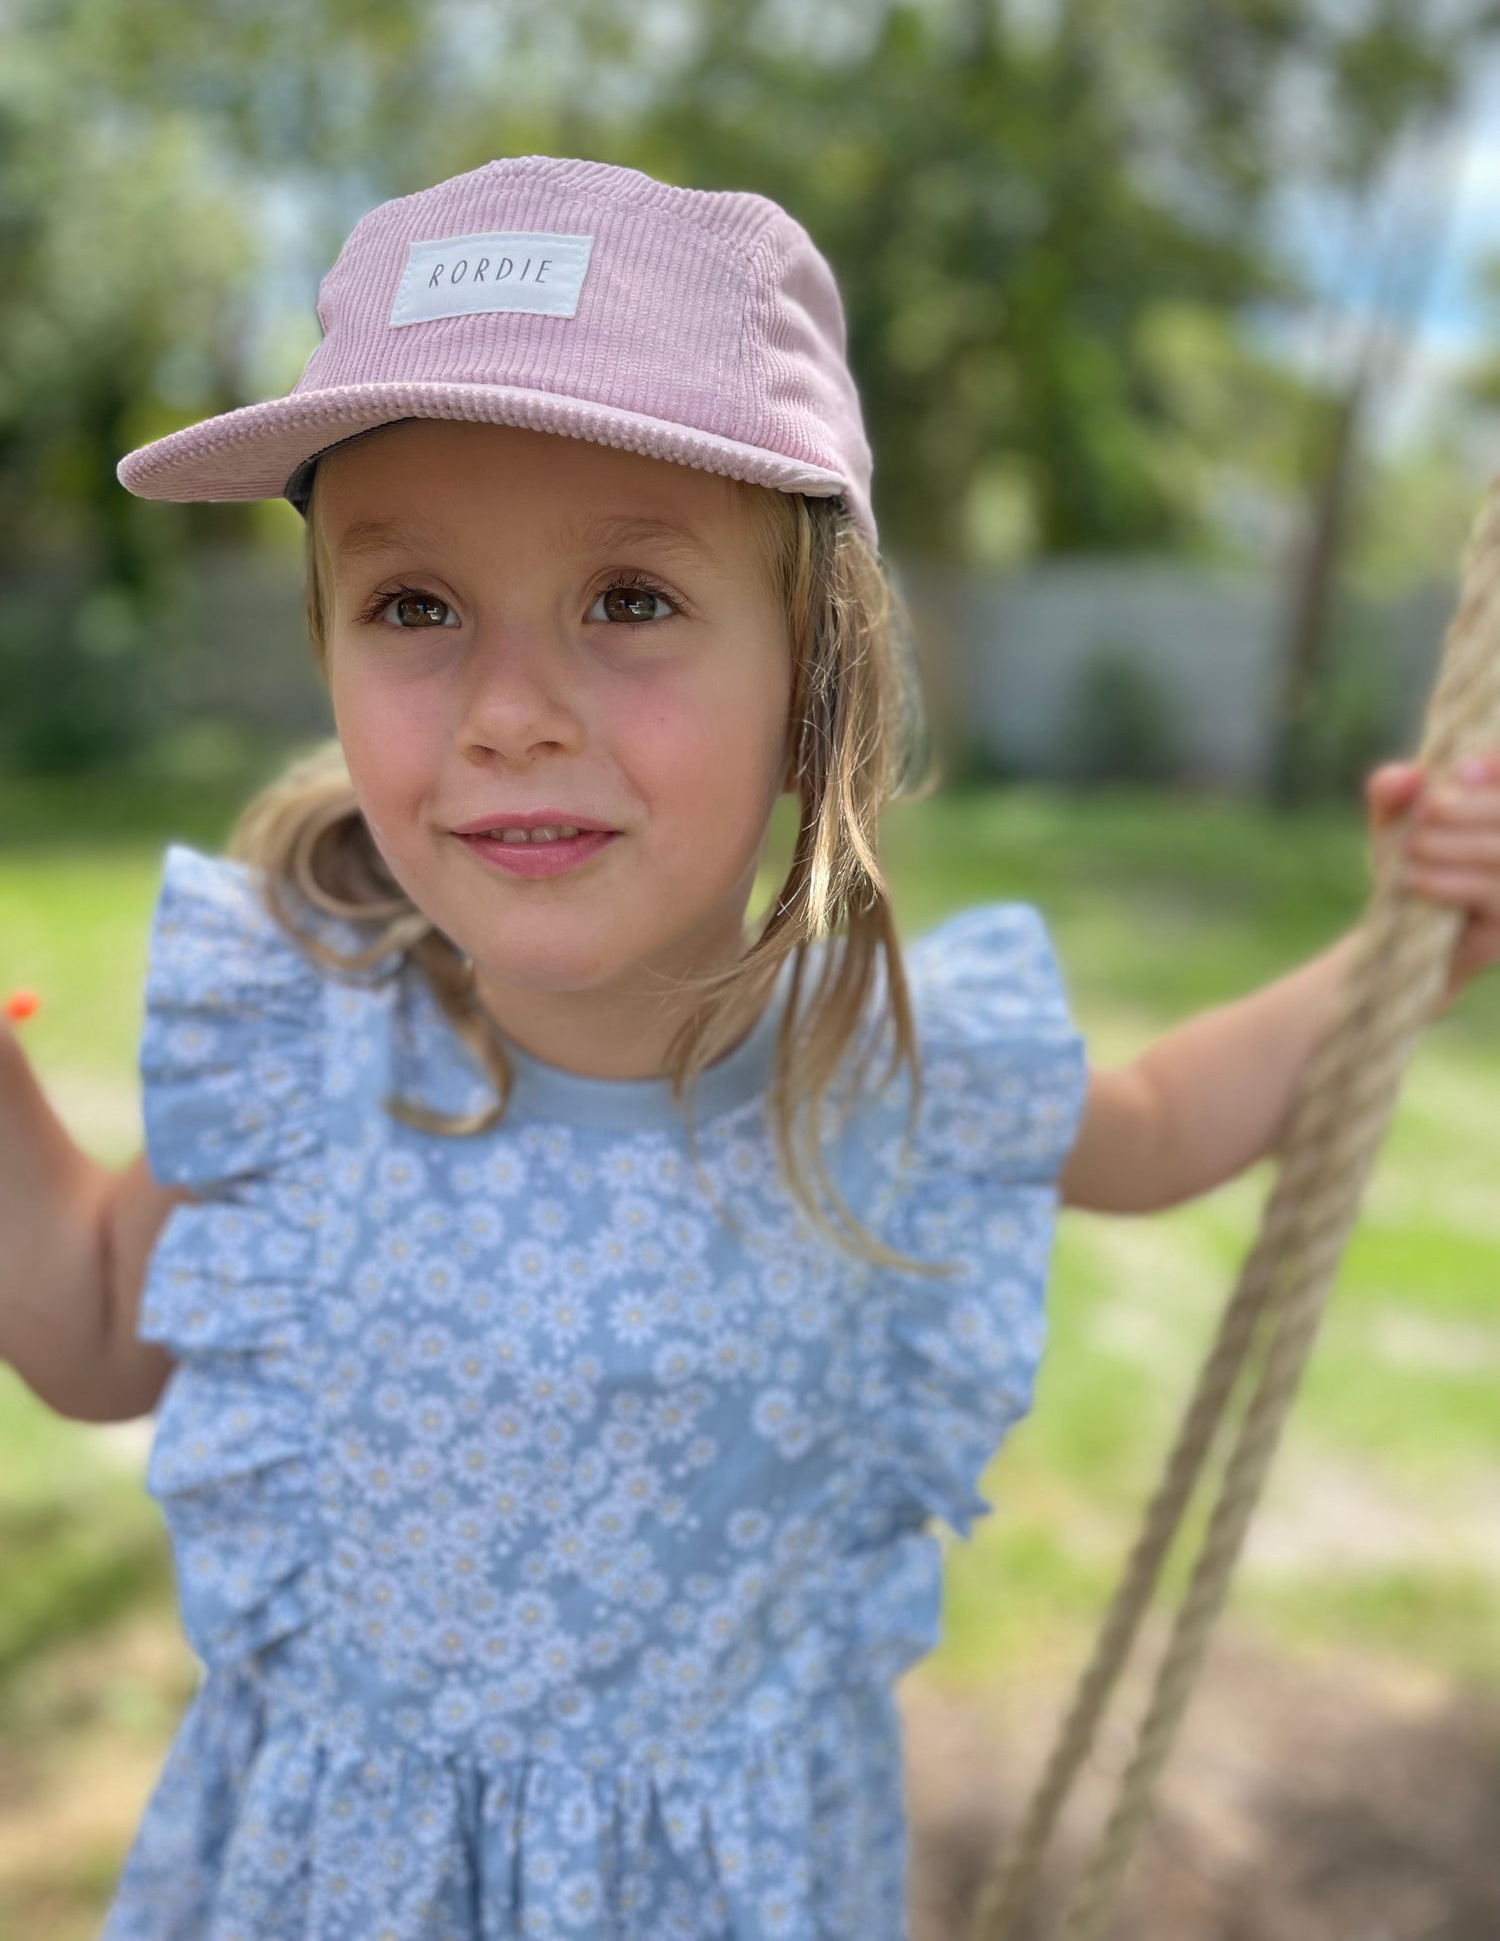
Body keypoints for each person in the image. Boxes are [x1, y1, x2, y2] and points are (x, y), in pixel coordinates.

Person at [2, 155, 1498, 1941]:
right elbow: (98, 1331)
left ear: (813, 679)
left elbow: (1167, 1120)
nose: (507, 714)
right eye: (414, 608)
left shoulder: (876, 1067)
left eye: (629, 600)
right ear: (324, 639)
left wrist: (1403, 946)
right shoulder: (308, 1041)